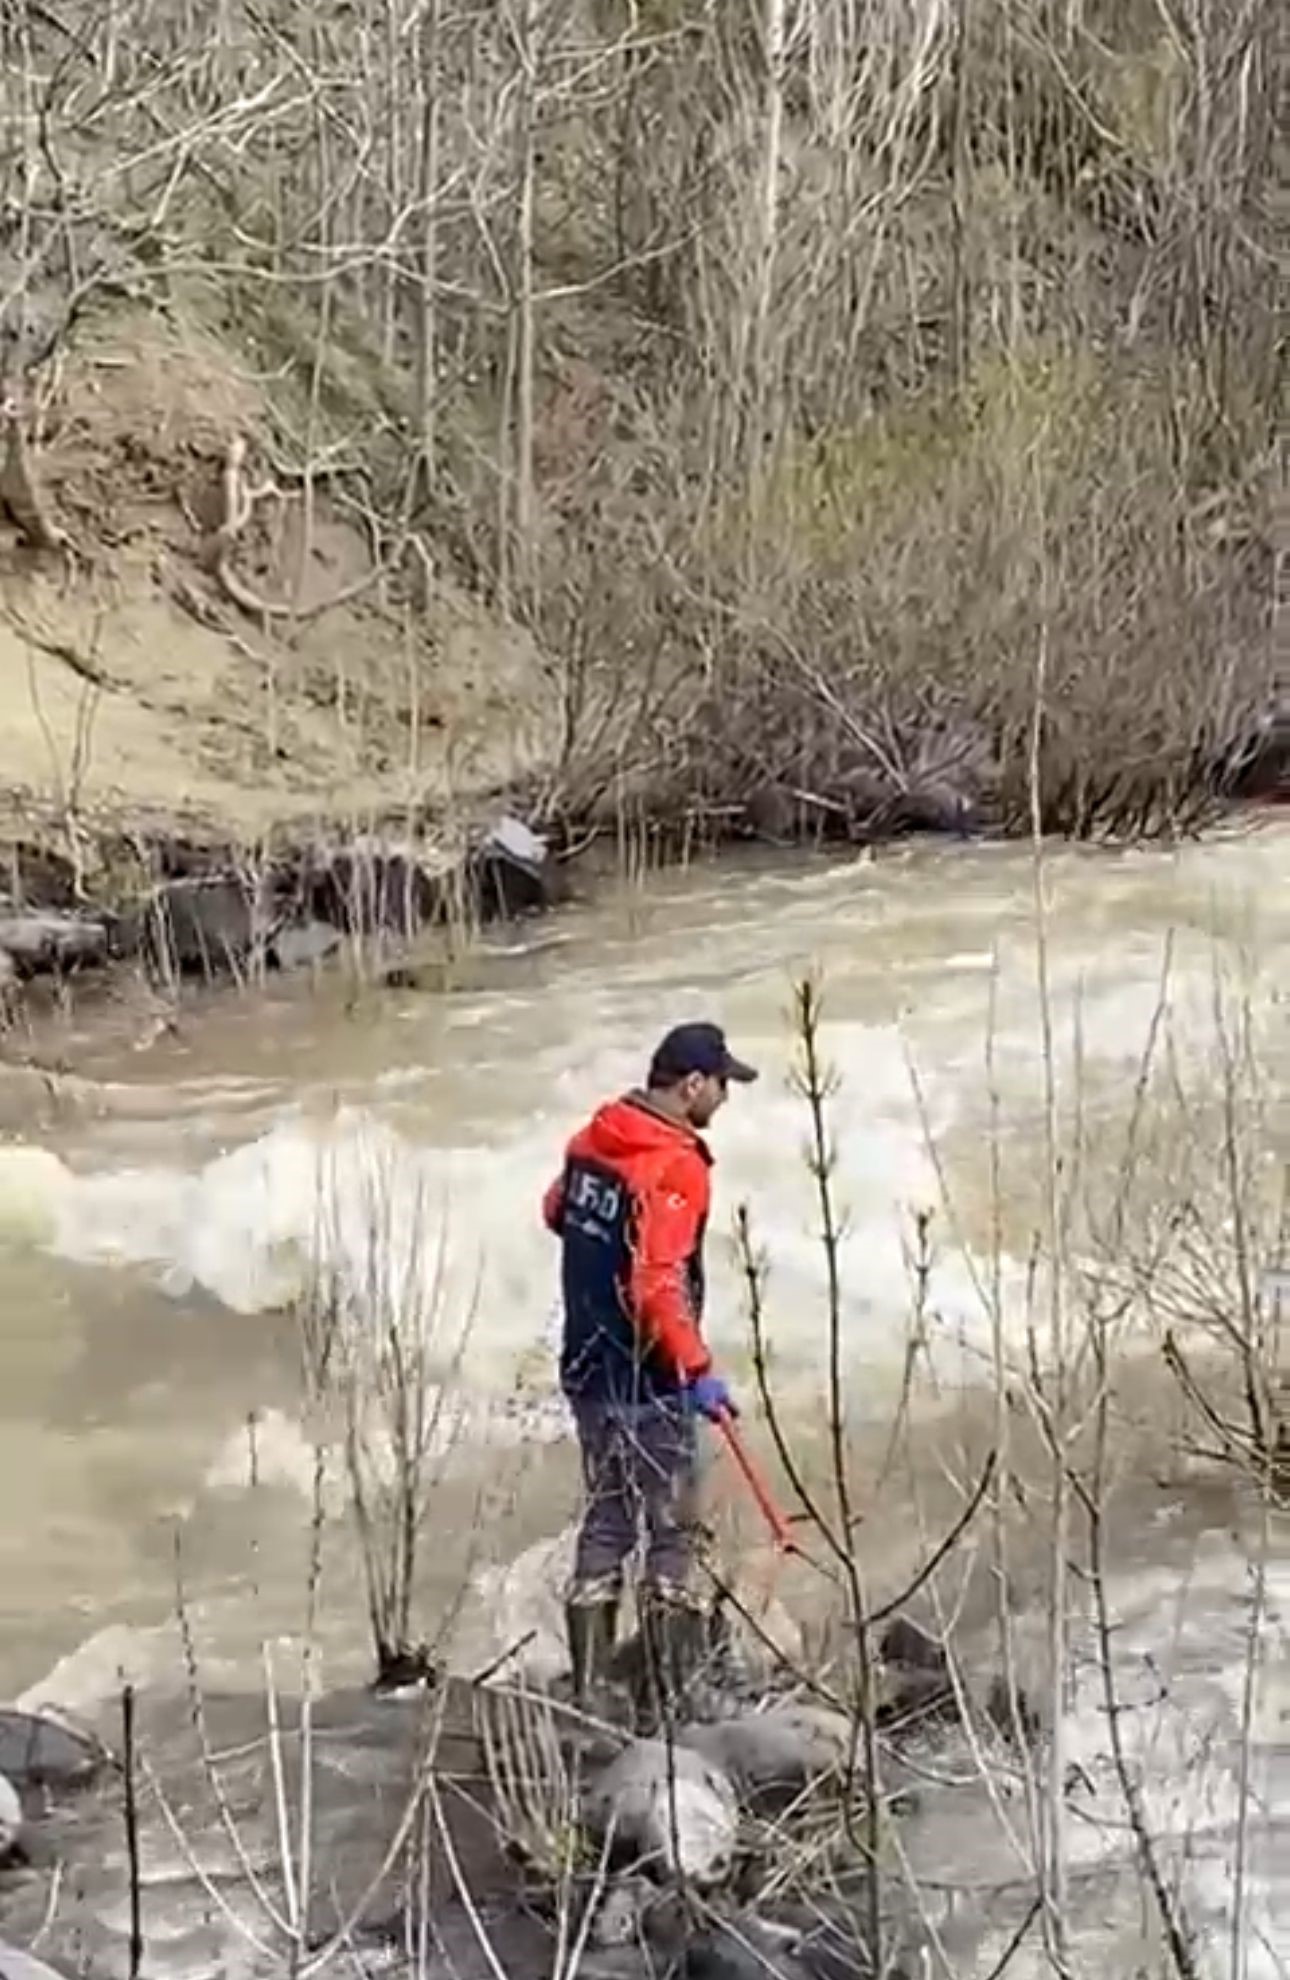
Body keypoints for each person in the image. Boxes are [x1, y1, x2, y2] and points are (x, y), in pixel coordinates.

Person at [542, 1021, 757, 1710]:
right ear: (693, 1085)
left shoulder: (594, 1138)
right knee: (677, 1529)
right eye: (723, 1085)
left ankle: (589, 1688)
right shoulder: (677, 1164)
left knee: (607, 1520)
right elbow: (657, 1283)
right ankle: (675, 1698)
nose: (725, 1100)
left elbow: (555, 1211)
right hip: (648, 1374)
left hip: (584, 1364)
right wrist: (695, 1369)